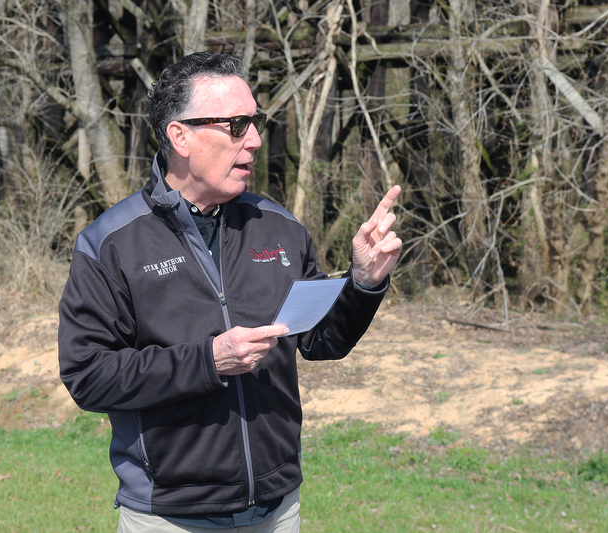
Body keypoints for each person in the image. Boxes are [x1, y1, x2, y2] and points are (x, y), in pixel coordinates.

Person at [58, 52, 402, 532]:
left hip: (277, 509)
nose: (256, 140)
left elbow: (322, 340)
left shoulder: (278, 227)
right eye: (237, 126)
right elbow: (89, 376)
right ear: (181, 136)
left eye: (255, 123)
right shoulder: (111, 243)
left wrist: (364, 282)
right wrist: (208, 361)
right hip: (171, 515)